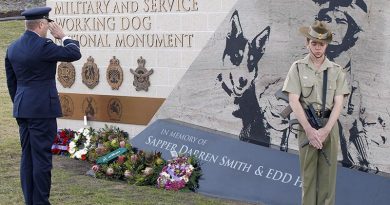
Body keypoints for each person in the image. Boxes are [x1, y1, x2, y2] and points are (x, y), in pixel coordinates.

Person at [5, 7, 81, 205]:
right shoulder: (43, 45)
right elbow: (74, 53)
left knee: (28, 157)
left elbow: (11, 82)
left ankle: (30, 201)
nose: (49, 29)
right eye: (47, 25)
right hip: (42, 110)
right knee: (42, 159)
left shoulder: (13, 47)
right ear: (40, 25)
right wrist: (63, 36)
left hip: (22, 108)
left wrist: (21, 104)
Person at [282, 20, 350, 205]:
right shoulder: (297, 67)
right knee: (308, 177)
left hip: (329, 127)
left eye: (321, 44)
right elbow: (293, 100)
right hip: (307, 127)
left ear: (326, 45)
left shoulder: (336, 71)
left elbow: (338, 103)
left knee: (328, 180)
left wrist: (326, 129)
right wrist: (310, 130)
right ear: (307, 43)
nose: (318, 48)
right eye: (314, 43)